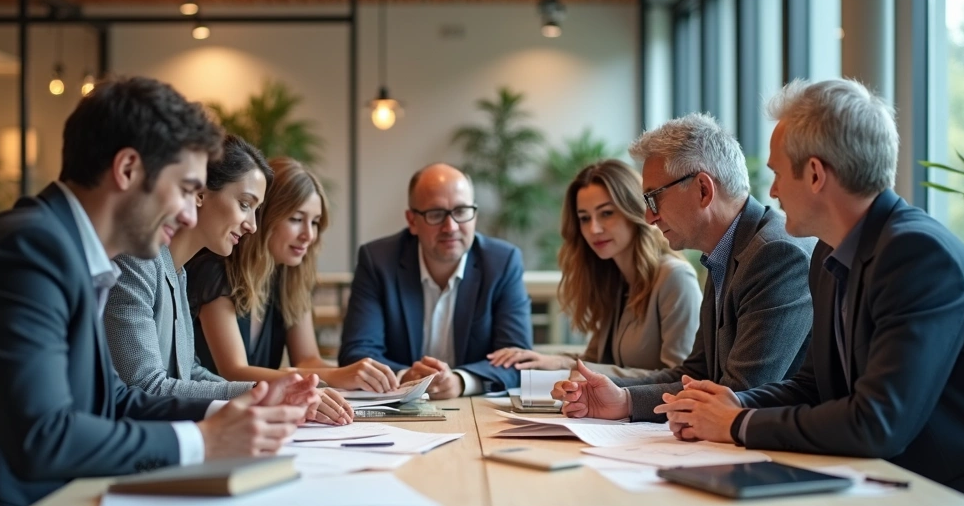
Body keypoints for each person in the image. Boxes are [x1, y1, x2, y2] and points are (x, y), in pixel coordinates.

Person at [0, 77, 319, 506]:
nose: (188, 212)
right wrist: (204, 441)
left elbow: (113, 399)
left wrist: (231, 411)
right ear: (128, 169)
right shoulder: (28, 253)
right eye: (185, 190)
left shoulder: (65, 249)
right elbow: (43, 439)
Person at [659, 78, 964, 506]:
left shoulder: (918, 255)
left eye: (776, 174)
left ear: (815, 174)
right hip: (908, 492)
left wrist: (736, 425)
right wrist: (732, 406)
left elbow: (878, 422)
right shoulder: (828, 253)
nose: (770, 191)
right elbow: (812, 386)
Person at [552, 114, 814, 424]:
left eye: (653, 198)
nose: (649, 217)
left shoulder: (775, 253)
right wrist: (623, 399)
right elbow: (696, 374)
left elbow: (737, 395)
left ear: (703, 189)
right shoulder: (725, 250)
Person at [104, 136, 351, 425]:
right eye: (245, 204)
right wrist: (266, 393)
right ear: (199, 192)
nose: (253, 225)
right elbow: (146, 386)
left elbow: (189, 371)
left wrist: (271, 394)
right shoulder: (137, 261)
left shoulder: (178, 272)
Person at [188, 158, 396, 396]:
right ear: (265, 216)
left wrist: (360, 376)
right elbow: (234, 371)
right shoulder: (216, 269)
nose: (309, 235)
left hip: (260, 412)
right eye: (296, 219)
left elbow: (307, 359)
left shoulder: (288, 277)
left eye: (315, 223)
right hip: (213, 412)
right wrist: (336, 375)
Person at [488, 159, 702, 380]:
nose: (594, 229)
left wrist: (565, 364)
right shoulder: (615, 281)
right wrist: (538, 359)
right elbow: (596, 362)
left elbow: (681, 378)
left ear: (634, 211)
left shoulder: (675, 278)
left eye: (606, 213)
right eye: (584, 218)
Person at [338, 163, 533, 400]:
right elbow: (357, 353)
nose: (450, 227)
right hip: (398, 407)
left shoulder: (502, 262)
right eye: (436, 214)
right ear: (412, 221)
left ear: (475, 215)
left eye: (461, 211)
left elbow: (518, 358)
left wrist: (461, 381)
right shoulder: (378, 262)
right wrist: (405, 377)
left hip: (476, 408)